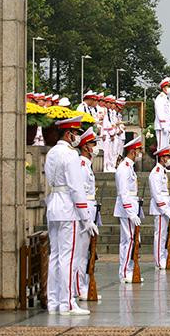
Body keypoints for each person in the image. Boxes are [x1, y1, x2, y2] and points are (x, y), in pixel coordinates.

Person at [44, 117, 96, 315]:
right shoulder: (71, 155)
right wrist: (86, 217)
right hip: (68, 207)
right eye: (76, 133)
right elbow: (76, 187)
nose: (77, 137)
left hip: (54, 204)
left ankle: (54, 301)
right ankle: (67, 303)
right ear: (69, 134)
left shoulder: (51, 153)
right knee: (68, 257)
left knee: (55, 256)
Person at [73, 128, 100, 303]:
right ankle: (79, 288)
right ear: (84, 147)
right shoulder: (81, 165)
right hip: (84, 211)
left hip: (90, 207)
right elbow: (80, 192)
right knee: (80, 253)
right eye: (92, 144)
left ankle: (83, 286)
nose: (95, 147)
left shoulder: (86, 165)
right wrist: (86, 218)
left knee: (86, 252)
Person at [114, 136, 144, 283]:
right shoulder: (123, 168)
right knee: (129, 240)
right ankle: (125, 271)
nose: (140, 153)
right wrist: (131, 212)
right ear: (133, 151)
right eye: (139, 150)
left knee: (131, 240)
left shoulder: (129, 167)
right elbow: (123, 192)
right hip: (127, 209)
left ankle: (129, 270)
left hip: (131, 206)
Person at [149, 146, 170, 270]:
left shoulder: (163, 171)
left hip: (167, 207)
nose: (169, 159)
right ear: (161, 158)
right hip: (160, 210)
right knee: (160, 235)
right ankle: (160, 261)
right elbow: (156, 193)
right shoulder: (156, 173)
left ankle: (166, 256)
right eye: (167, 157)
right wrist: (164, 209)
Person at [154, 77, 170, 153]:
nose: (169, 88)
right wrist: (163, 125)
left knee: (166, 147)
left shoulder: (166, 98)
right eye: (168, 86)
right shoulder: (160, 98)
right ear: (163, 88)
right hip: (162, 127)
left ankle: (164, 164)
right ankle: (159, 164)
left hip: (167, 127)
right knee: (161, 148)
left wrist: (169, 126)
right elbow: (160, 112)